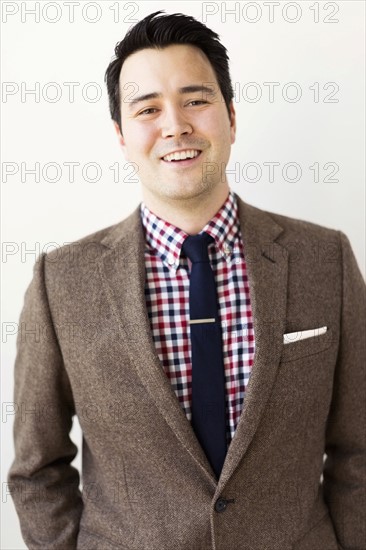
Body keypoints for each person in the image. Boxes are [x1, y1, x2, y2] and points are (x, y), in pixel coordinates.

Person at [8, 10, 365, 550]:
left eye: (196, 100)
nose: (175, 124)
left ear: (232, 117)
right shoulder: (61, 282)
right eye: (148, 108)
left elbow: (359, 448)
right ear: (121, 136)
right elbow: (38, 468)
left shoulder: (326, 259)